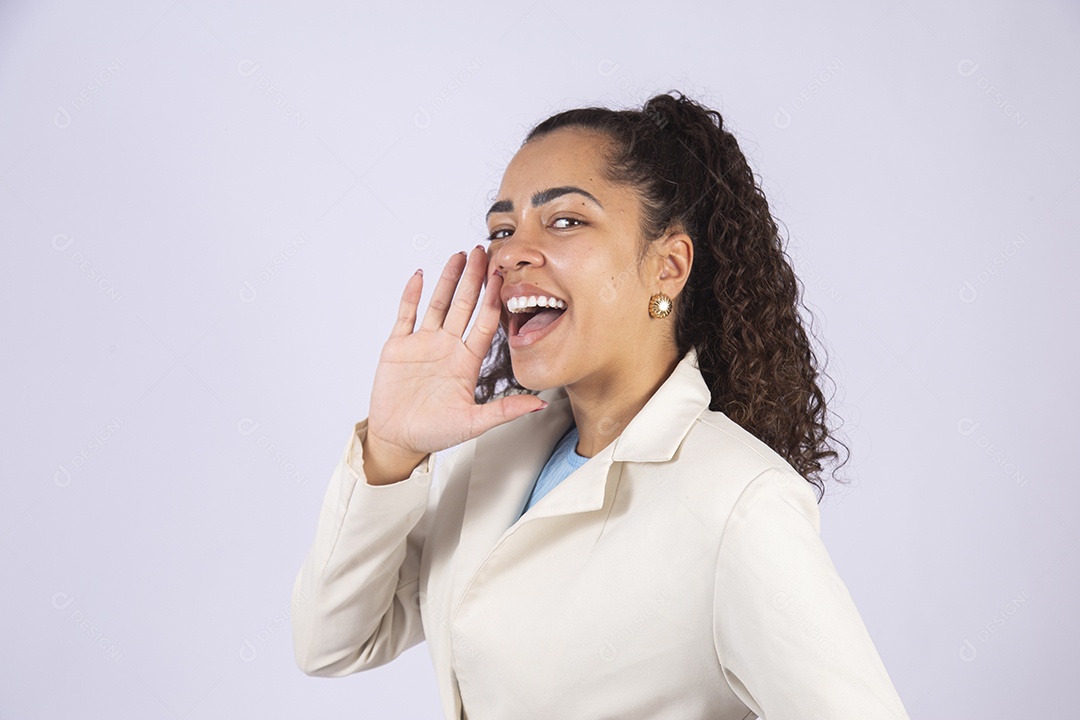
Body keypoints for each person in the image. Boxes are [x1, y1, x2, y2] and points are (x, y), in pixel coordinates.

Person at [291, 91, 911, 719]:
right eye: (501, 230)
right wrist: (392, 450)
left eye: (564, 221)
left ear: (668, 265)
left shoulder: (738, 502)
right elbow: (332, 642)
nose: (511, 254)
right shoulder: (498, 458)